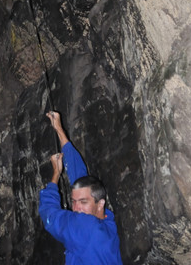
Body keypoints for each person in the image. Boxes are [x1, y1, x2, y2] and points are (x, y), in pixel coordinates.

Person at [39, 111, 123, 265]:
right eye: (74, 201)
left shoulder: (86, 228)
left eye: (83, 202)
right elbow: (80, 177)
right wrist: (59, 129)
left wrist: (55, 175)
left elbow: (49, 215)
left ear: (101, 203)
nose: (75, 208)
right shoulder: (108, 223)